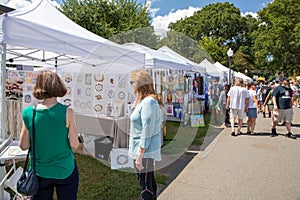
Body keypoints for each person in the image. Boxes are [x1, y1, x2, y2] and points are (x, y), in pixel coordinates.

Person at [19, 70, 80, 200]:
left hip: (39, 172)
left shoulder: (29, 113)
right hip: (64, 169)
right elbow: (75, 145)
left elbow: (23, 146)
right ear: (58, 85)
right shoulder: (67, 112)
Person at [128, 69, 163, 200]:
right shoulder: (145, 100)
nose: (131, 85)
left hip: (144, 150)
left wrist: (140, 154)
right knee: (148, 182)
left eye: (132, 82)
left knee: (146, 186)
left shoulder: (149, 102)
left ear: (140, 83)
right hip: (142, 149)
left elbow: (147, 129)